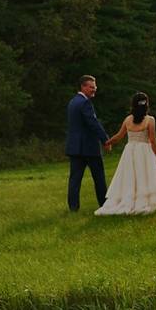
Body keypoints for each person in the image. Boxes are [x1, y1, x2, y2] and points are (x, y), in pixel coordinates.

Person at [95, 91, 156, 216]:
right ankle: (142, 201)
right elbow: (153, 140)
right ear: (146, 105)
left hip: (130, 151)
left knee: (129, 177)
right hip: (144, 151)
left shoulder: (128, 119)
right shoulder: (150, 120)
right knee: (143, 176)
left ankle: (128, 200)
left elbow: (119, 136)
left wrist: (108, 142)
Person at [65, 75, 111, 212]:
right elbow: (93, 123)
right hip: (89, 147)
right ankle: (104, 205)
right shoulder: (85, 103)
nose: (94, 89)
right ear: (83, 87)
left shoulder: (72, 102)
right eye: (91, 87)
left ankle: (73, 207)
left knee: (74, 179)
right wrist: (105, 139)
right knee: (99, 177)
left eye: (95, 86)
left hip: (74, 147)